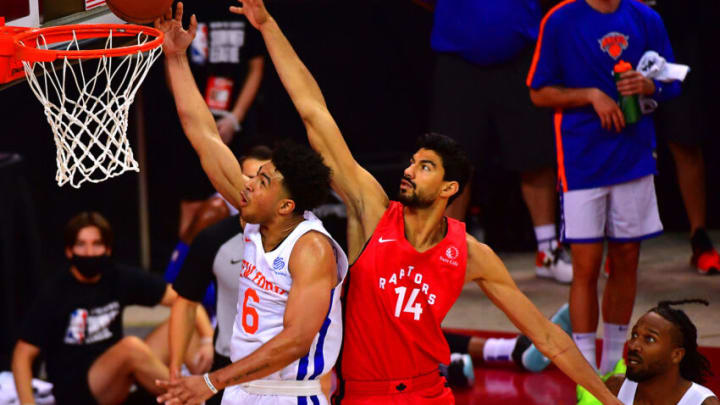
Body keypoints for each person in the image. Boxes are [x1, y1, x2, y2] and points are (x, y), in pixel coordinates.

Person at [230, 1, 622, 403]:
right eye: (413, 163)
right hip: (366, 394)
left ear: (450, 187)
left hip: (428, 393)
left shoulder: (469, 253)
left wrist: (607, 400)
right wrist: (269, 27)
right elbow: (314, 112)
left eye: (425, 167)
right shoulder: (374, 213)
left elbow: (547, 336)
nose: (409, 171)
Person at [154, 5, 348, 404]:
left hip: (289, 394)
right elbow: (203, 133)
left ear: (285, 205)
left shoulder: (312, 249)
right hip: (241, 390)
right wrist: (175, 57)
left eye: (262, 182)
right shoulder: (256, 221)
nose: (247, 186)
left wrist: (211, 381)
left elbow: (295, 341)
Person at [527, 0, 681, 376]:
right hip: (582, 159)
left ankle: (616, 366)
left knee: (627, 258)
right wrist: (590, 95)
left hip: (633, 155)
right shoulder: (561, 19)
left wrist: (651, 85)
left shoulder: (646, 17)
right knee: (586, 265)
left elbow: (673, 81)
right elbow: (538, 92)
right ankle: (584, 373)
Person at [429, 0, 572, 283]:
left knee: (536, 156)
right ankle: (449, 255)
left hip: (520, 54)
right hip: (458, 57)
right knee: (453, 165)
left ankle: (547, 251)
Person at [10, 211, 212, 405]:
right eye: (81, 245)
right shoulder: (55, 291)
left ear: (107, 249)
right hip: (77, 388)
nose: (89, 252)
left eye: (96, 244)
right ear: (69, 251)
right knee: (131, 347)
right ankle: (194, 398)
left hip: (118, 376)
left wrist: (207, 340)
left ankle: (202, 385)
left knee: (183, 326)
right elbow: (22, 354)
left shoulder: (116, 276)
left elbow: (183, 301)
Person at [166, 148, 270, 405]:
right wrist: (175, 370)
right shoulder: (213, 237)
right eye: (246, 178)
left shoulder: (301, 236)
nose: (251, 186)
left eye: (261, 179)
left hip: (284, 369)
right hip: (226, 367)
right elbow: (186, 302)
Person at [174, 0, 266, 237]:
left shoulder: (242, 6)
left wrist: (236, 117)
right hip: (196, 112)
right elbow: (172, 57)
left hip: (239, 122)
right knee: (193, 202)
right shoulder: (185, 7)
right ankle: (180, 268)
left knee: (249, 197)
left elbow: (257, 66)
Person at [604, 300, 718, 405]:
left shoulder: (701, 402)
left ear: (676, 355)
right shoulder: (616, 387)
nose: (633, 345)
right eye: (634, 335)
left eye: (649, 339)